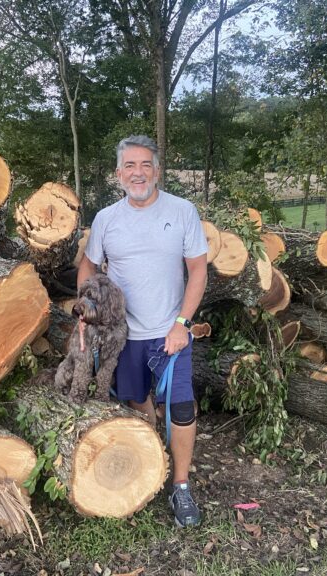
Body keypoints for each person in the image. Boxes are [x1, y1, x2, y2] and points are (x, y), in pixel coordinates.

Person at [78, 135, 208, 527]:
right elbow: (87, 268)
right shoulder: (106, 219)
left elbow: (198, 270)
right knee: (135, 399)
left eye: (145, 165)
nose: (138, 173)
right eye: (130, 166)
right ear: (119, 174)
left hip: (170, 331)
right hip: (123, 336)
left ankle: (181, 488)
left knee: (181, 407)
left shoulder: (182, 211)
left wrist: (182, 324)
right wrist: (85, 310)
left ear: (157, 171)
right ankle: (153, 449)